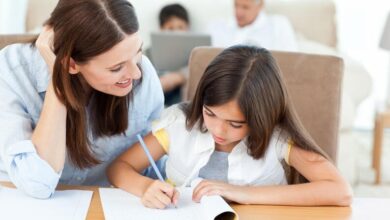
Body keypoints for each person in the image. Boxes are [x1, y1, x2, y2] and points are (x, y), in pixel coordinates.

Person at [107, 45, 352, 209]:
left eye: (236, 124)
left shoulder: (278, 139)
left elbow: (340, 191)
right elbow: (119, 167)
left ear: (262, 118)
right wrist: (146, 187)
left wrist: (242, 193)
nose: (218, 131)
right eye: (210, 113)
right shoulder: (180, 124)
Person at [0, 0, 165, 199]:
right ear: (71, 64)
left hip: (106, 204)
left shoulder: (143, 75)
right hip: (24, 203)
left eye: (138, 51)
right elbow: (38, 185)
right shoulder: (11, 71)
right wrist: (58, 80)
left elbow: (153, 162)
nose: (136, 73)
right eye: (116, 68)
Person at [208, 0, 297, 51]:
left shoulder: (278, 25)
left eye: (245, 7)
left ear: (260, 5)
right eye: (236, 5)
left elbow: (291, 61)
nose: (239, 12)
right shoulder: (216, 26)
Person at [146, 3, 190, 106]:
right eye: (170, 28)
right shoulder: (149, 52)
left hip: (183, 104)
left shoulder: (195, 52)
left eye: (181, 27)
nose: (176, 32)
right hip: (158, 102)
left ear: (188, 28)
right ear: (161, 29)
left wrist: (179, 77)